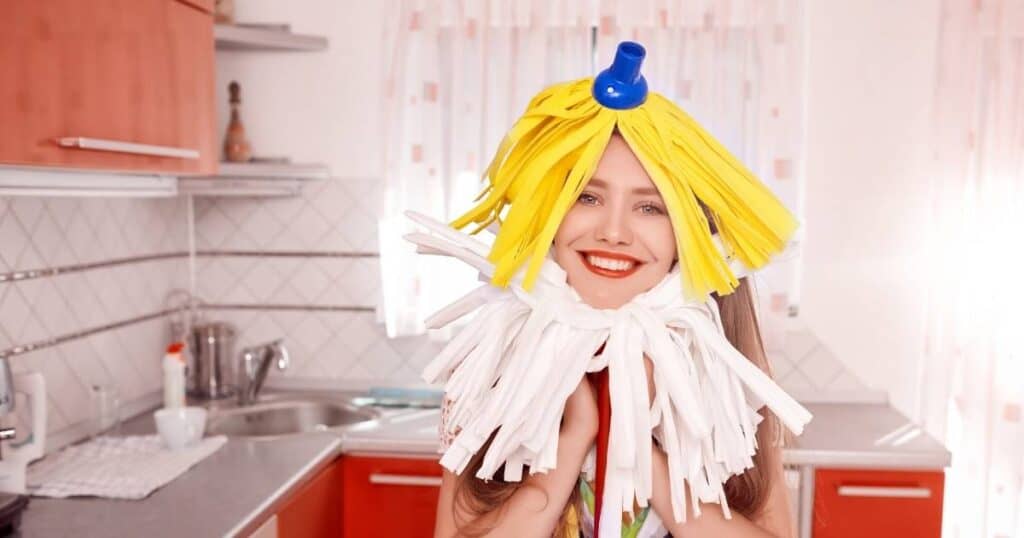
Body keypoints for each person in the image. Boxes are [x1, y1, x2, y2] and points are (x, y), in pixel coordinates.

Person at [414, 41, 806, 538]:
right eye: (588, 196)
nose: (614, 231)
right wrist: (579, 431)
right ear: (547, 218)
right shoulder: (490, 376)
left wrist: (635, 436)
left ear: (687, 236)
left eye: (650, 207)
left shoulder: (725, 384)